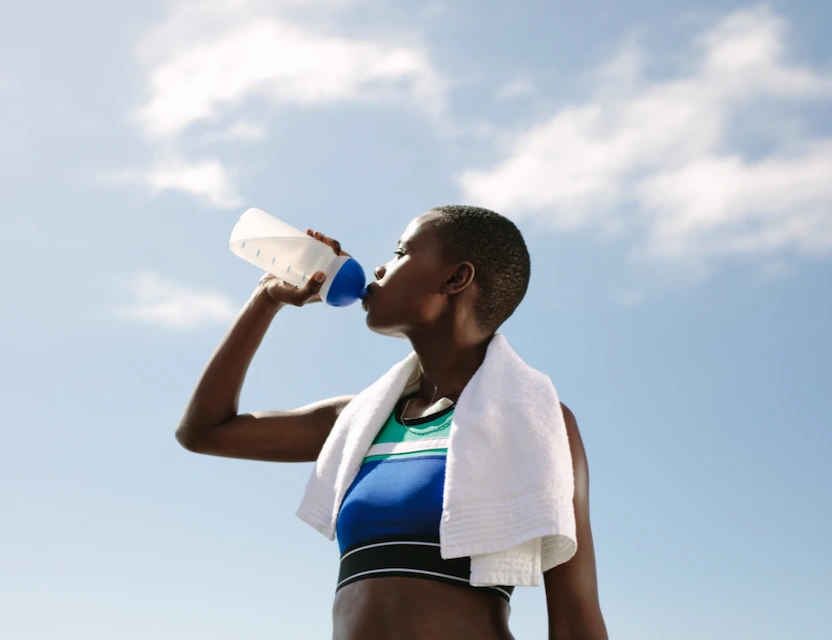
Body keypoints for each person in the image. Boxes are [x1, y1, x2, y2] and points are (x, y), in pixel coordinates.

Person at [176, 205, 608, 640]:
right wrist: (266, 299)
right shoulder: (361, 420)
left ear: (456, 278)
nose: (380, 269)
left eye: (401, 253)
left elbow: (575, 619)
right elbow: (204, 431)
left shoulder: (533, 420)